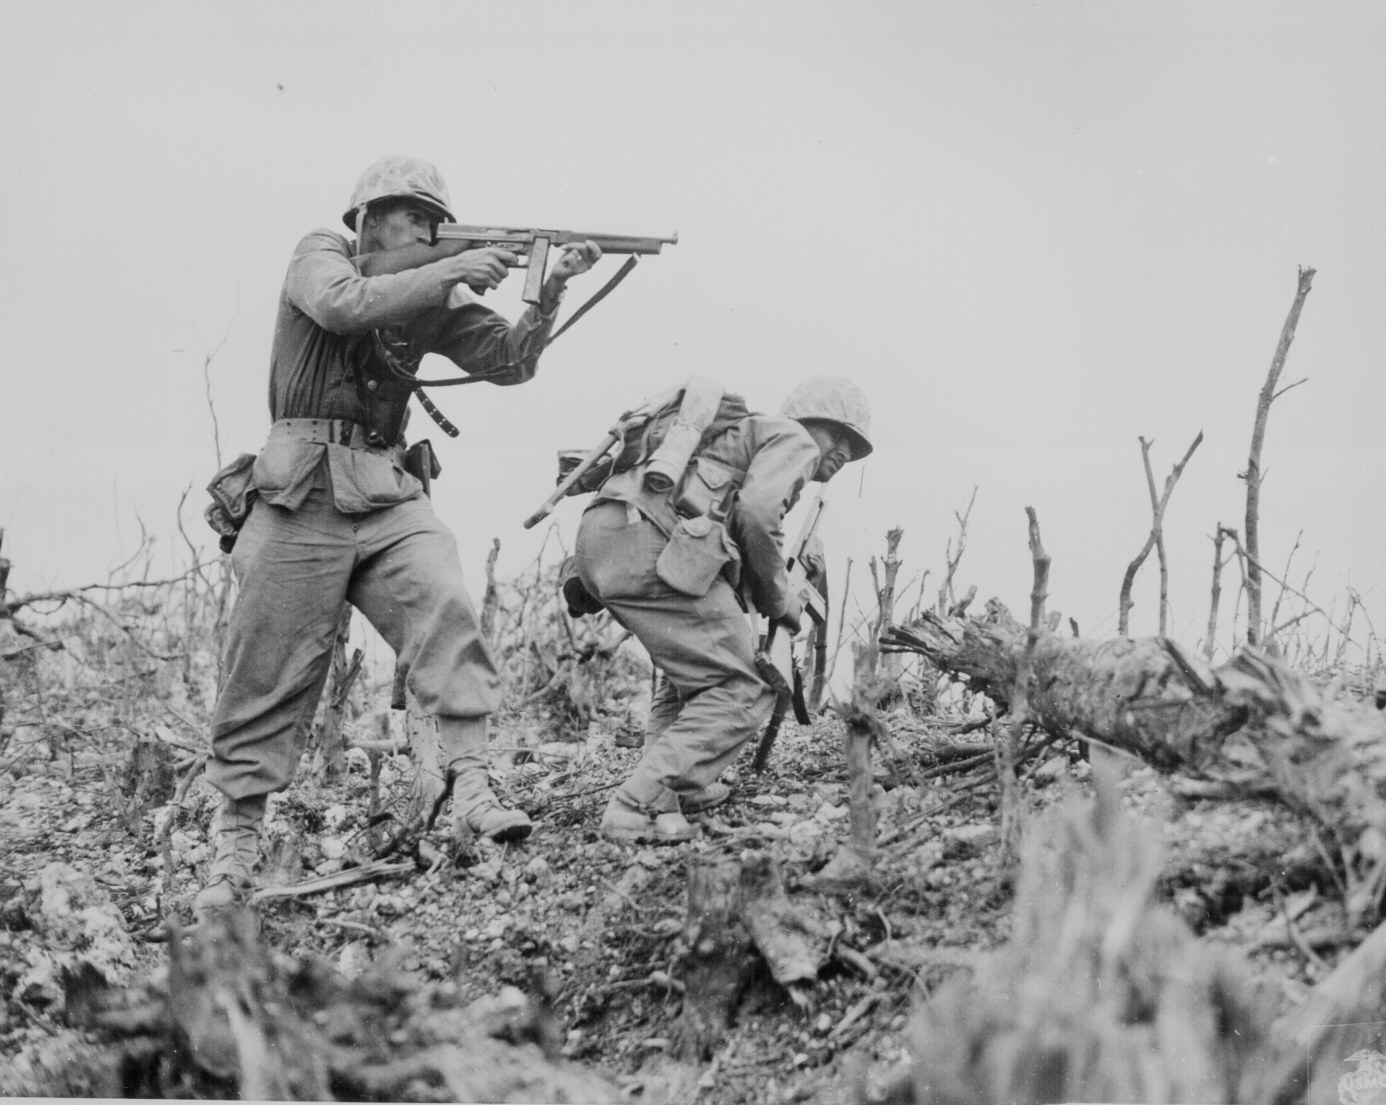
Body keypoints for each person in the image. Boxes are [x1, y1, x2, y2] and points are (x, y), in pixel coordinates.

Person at [195, 156, 601, 914]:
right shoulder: (322, 252)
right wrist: (451, 264)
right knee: (266, 668)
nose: (425, 226)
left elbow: (509, 361)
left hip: (383, 490)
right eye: (410, 214)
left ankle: (472, 780)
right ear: (368, 217)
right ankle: (235, 850)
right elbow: (346, 305)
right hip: (300, 493)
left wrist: (549, 289)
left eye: (433, 218)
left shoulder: (432, 293)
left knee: (443, 595)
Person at [572, 377, 873, 844]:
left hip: (606, 537)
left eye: (854, 449)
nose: (844, 455)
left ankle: (674, 792)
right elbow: (757, 515)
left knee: (692, 671)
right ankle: (642, 804)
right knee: (742, 686)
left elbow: (735, 527)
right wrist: (782, 600)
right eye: (841, 437)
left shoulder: (743, 443)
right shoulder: (791, 438)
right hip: (648, 538)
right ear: (812, 422)